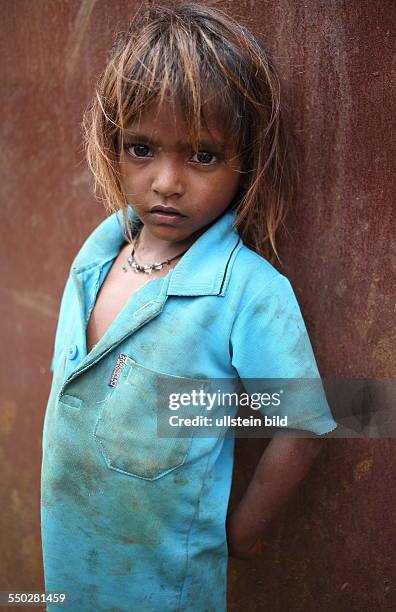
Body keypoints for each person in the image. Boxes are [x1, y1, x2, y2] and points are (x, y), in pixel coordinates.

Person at [40, 2, 337, 610]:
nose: (167, 181)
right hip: (69, 575)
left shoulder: (246, 292)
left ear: (245, 161)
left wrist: (243, 535)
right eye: (141, 148)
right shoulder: (95, 257)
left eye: (202, 155)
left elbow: (302, 425)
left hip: (167, 591)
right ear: (112, 145)